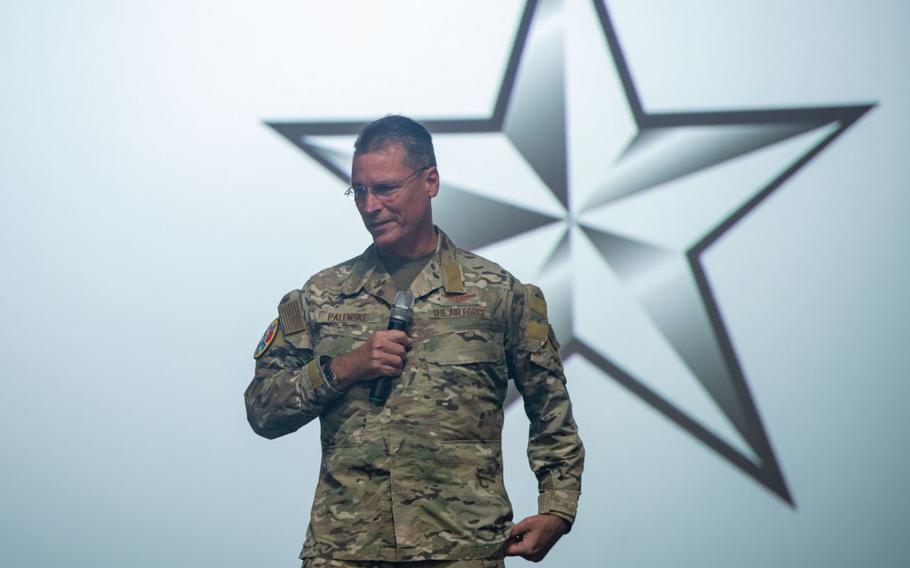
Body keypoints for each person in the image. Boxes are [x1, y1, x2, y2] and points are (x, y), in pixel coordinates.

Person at [244, 115, 584, 568]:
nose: (369, 205)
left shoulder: (498, 293)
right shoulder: (319, 297)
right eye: (358, 191)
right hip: (346, 551)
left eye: (384, 188)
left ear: (431, 182)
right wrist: (344, 368)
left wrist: (558, 509)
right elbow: (263, 411)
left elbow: (551, 411)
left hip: (463, 549)